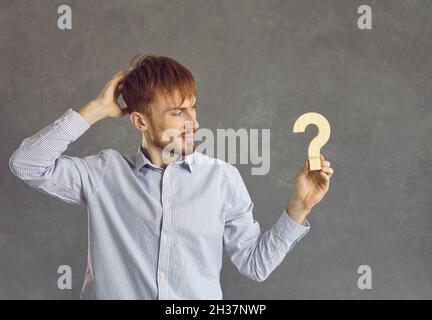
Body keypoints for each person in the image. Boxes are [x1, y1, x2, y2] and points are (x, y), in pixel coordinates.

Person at [9, 54, 334, 299]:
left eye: (192, 108)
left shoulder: (222, 179)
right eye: (177, 112)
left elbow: (255, 265)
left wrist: (299, 207)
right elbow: (27, 164)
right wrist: (95, 109)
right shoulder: (103, 174)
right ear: (139, 121)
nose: (192, 121)